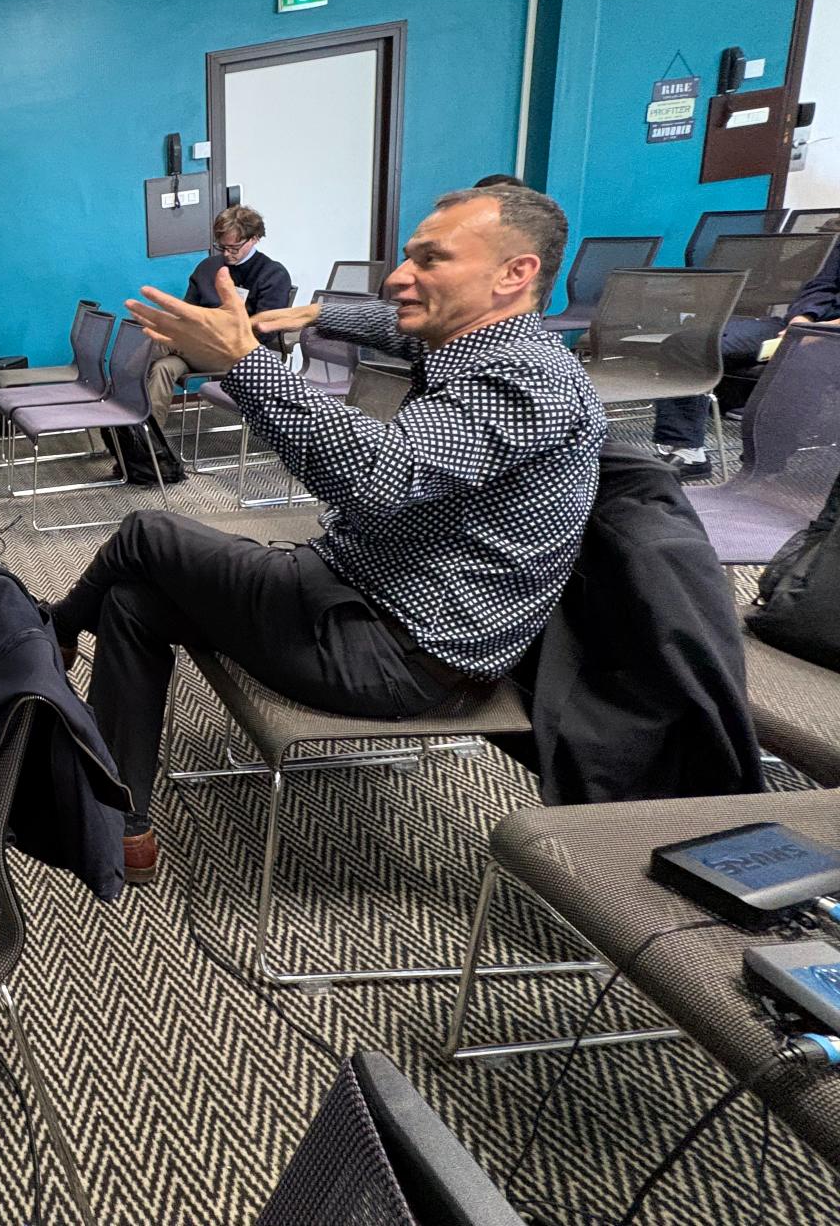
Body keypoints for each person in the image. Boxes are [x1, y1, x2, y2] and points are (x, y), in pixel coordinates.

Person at [49, 185, 605, 883]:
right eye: (408, 257)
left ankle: (54, 632)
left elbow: (378, 476)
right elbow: (395, 324)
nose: (398, 277)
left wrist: (244, 360)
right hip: (362, 597)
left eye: (430, 260)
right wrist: (317, 312)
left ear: (514, 274)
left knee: (146, 535)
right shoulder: (485, 343)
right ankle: (119, 821)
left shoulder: (528, 378)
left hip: (395, 652)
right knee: (131, 601)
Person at [651, 242, 840, 478]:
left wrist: (821, 331)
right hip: (804, 327)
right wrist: (802, 319)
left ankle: (762, 467)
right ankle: (688, 452)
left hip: (832, 337)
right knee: (687, 345)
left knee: (799, 364)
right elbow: (822, 285)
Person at [146, 205, 292, 432]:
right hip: (194, 349)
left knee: (158, 342)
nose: (226, 254)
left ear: (254, 239)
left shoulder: (272, 274)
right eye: (221, 247)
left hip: (236, 353)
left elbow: (264, 330)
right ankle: (148, 442)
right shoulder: (208, 267)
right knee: (162, 368)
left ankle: (113, 393)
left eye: (234, 248)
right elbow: (187, 311)